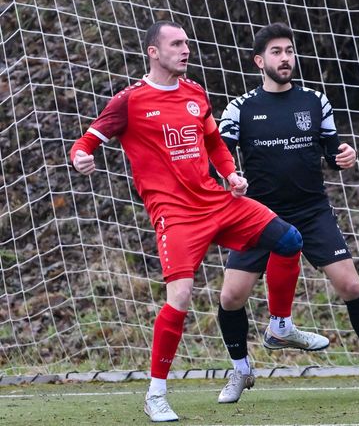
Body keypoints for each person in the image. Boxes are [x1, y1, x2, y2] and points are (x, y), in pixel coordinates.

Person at [69, 21, 319, 422]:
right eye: (176, 44)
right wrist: (81, 156)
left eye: (187, 43)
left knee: (289, 239)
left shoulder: (194, 92)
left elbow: (214, 141)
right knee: (180, 300)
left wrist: (230, 174)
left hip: (217, 201)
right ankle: (156, 394)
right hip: (175, 215)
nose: (186, 49)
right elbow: (87, 141)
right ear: (153, 51)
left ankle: (281, 326)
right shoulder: (129, 101)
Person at [216, 22, 359, 401]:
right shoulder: (240, 108)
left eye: (289, 51)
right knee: (231, 297)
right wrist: (230, 176)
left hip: (312, 210)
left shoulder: (315, 101)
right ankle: (240, 372)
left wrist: (344, 155)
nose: (285, 58)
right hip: (259, 214)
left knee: (351, 285)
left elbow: (334, 152)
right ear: (259, 61)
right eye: (276, 52)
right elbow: (220, 155)